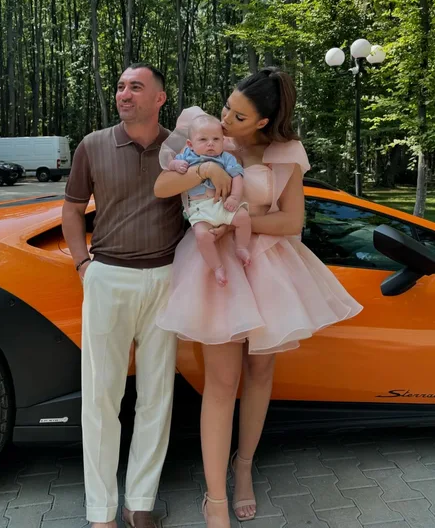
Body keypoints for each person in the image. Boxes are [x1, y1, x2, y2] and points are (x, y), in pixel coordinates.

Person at [154, 67, 363, 528]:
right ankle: (214, 498)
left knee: (261, 370)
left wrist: (236, 226)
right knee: (222, 381)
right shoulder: (203, 132)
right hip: (213, 267)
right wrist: (205, 169)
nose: (226, 120)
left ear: (264, 122)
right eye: (227, 107)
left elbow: (290, 221)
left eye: (239, 116)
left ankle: (244, 466)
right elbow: (164, 187)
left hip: (265, 262)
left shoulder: (286, 153)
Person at [61, 64, 185, 528]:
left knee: (157, 397)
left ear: (160, 98)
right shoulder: (92, 145)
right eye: (119, 86)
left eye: (136, 87)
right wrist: (83, 266)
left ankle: (140, 504)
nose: (124, 94)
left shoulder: (181, 147)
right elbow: (72, 210)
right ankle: (101, 513)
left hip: (167, 280)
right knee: (100, 399)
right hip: (108, 277)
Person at [168, 113, 251, 286]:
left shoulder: (226, 158)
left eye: (216, 139)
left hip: (222, 204)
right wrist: (176, 165)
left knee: (243, 217)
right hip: (200, 209)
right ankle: (217, 267)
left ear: (223, 141)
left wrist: (234, 197)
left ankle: (241, 247)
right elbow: (170, 165)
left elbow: (237, 176)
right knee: (202, 236)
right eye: (203, 139)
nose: (210, 143)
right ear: (190, 144)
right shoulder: (187, 156)